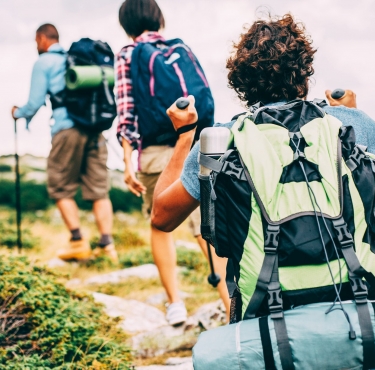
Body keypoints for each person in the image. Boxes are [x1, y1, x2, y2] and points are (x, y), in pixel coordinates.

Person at [152, 14, 375, 370]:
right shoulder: (347, 123)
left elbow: (162, 216)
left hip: (268, 325)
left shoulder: (221, 140)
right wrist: (360, 118)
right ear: (304, 73)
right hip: (362, 313)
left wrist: (185, 135)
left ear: (240, 82)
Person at [116, 0, 230, 326]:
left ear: (126, 24)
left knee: (159, 223)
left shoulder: (128, 54)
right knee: (204, 228)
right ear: (158, 19)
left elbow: (126, 114)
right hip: (195, 141)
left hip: (154, 151)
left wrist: (127, 162)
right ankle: (232, 305)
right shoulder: (179, 48)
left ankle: (175, 303)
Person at [12, 23, 117, 263]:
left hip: (66, 129)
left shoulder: (44, 63)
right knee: (98, 189)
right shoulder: (76, 59)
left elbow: (35, 102)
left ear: (41, 38)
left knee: (60, 185)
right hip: (94, 129)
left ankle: (78, 241)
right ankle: (106, 246)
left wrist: (18, 113)